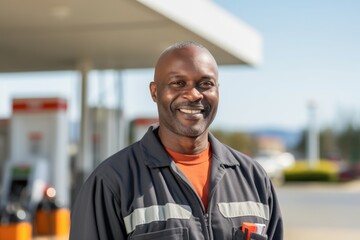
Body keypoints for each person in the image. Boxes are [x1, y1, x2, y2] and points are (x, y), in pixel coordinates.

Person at [69, 41, 283, 240]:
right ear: (155, 92)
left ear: (218, 90)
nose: (193, 94)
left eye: (205, 84)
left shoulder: (254, 179)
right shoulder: (112, 182)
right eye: (178, 83)